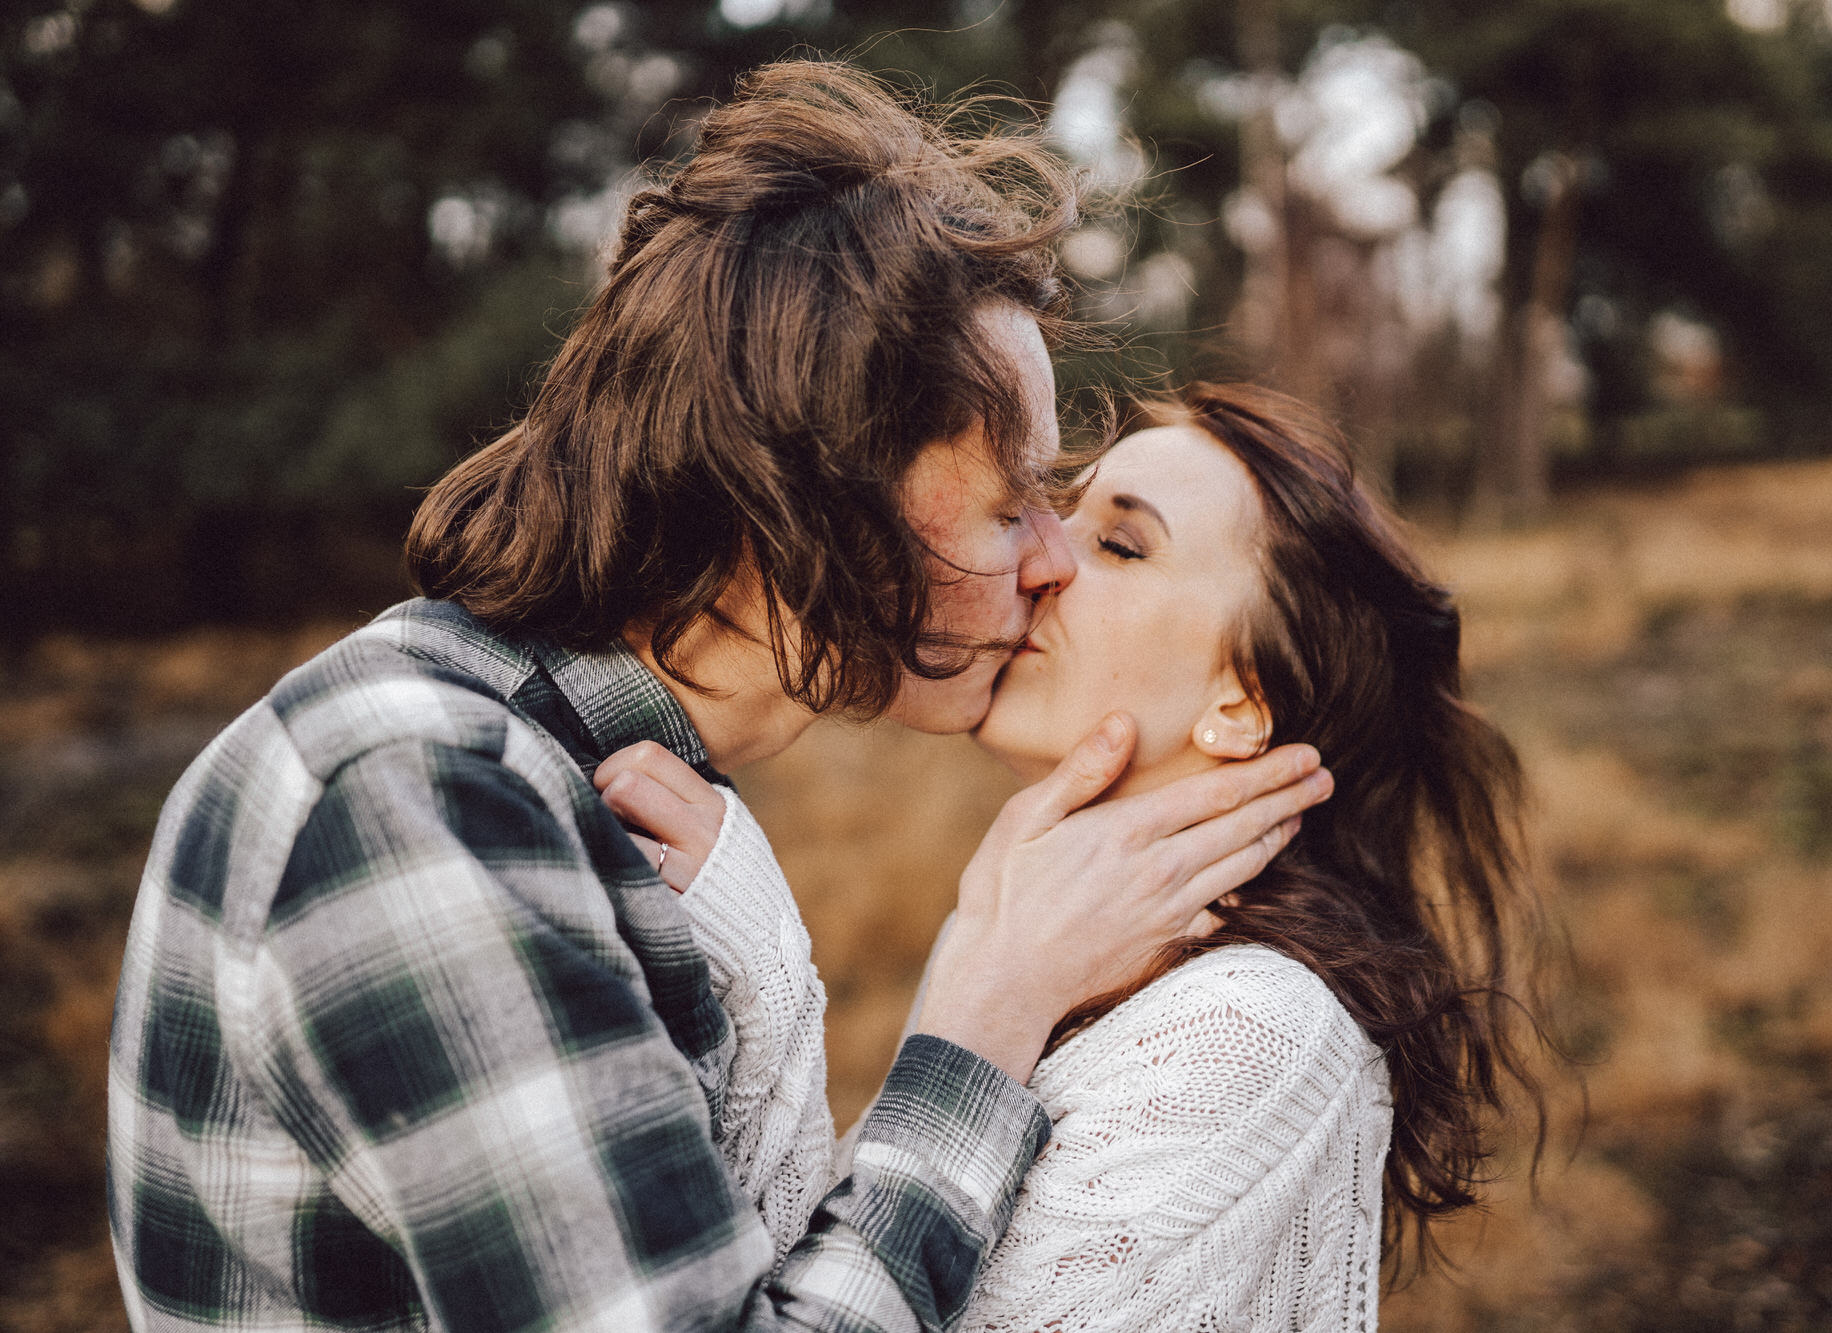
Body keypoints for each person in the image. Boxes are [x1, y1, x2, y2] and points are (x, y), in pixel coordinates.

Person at [104, 65, 1330, 1333]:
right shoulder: (415, 799)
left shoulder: (570, 786)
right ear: (808, 497)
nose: (1050, 557)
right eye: (1010, 496)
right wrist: (984, 1015)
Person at [610, 384, 1547, 1331]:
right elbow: (824, 1285)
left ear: (1242, 701)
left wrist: (772, 981)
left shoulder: (1257, 1031)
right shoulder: (1038, 942)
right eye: (1060, 509)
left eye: (1121, 544)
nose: (1044, 557)